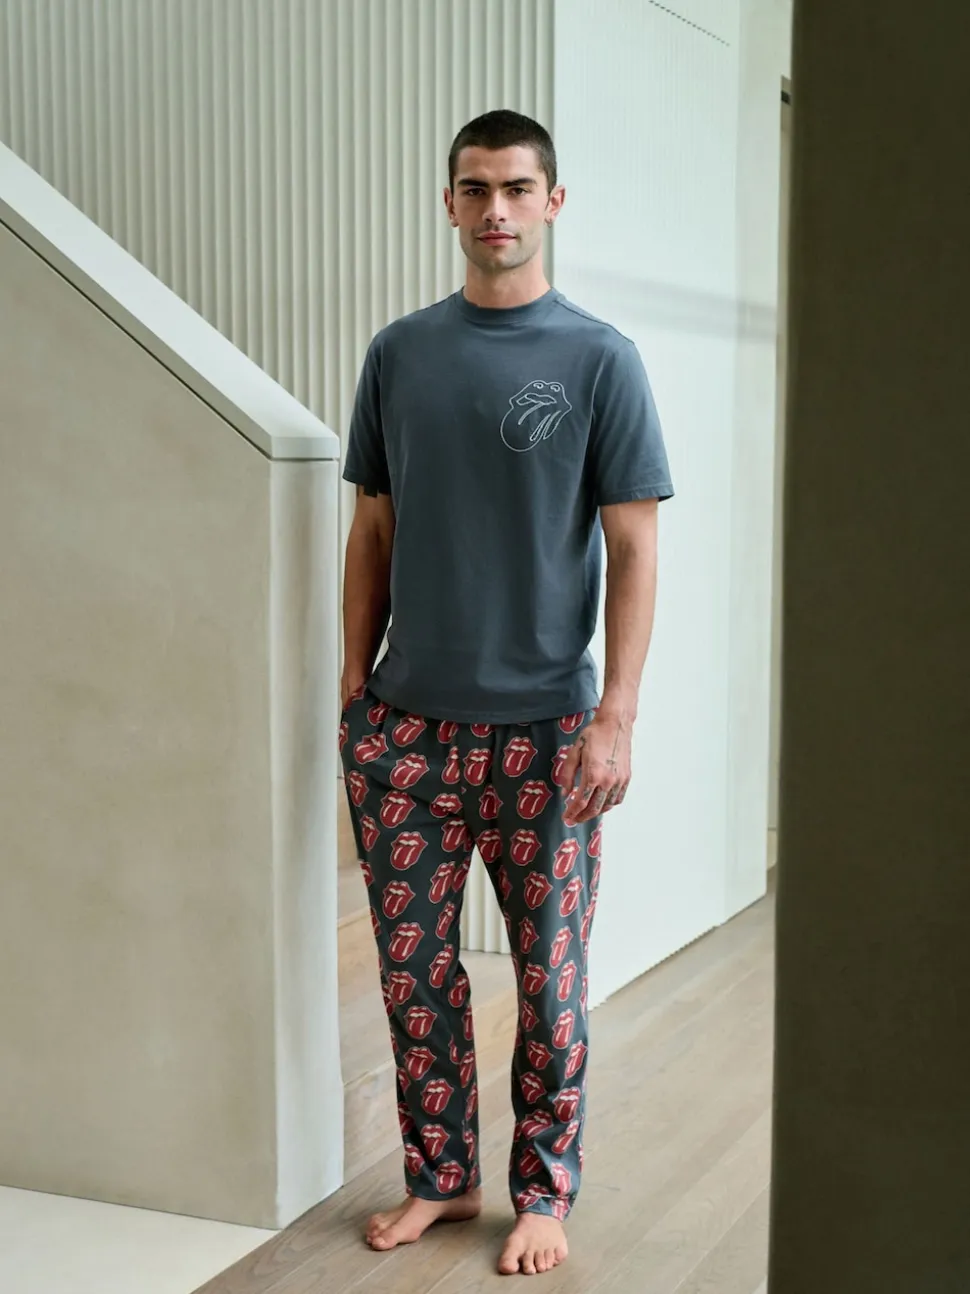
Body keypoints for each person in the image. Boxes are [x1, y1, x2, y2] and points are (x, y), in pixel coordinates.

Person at [339, 108, 673, 1277]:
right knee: (415, 977)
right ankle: (442, 1177)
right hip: (406, 734)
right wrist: (355, 688)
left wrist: (615, 714)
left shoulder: (599, 359)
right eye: (475, 189)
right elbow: (372, 527)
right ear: (449, 204)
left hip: (547, 735)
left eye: (518, 188)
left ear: (552, 203)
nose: (496, 210)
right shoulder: (398, 355)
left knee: (550, 983)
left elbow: (632, 547)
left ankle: (543, 1191)